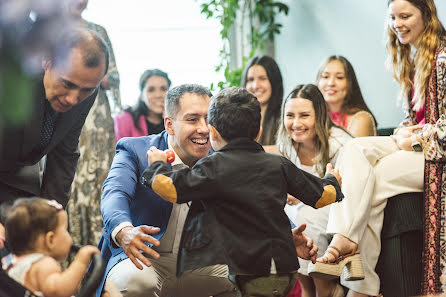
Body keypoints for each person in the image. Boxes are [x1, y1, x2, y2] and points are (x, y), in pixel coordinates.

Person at [142, 87, 344, 297]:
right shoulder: (277, 163)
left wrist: (157, 165)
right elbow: (322, 196)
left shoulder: (213, 166)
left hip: (252, 270)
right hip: (285, 267)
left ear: (213, 132)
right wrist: (332, 181)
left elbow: (170, 188)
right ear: (258, 131)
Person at [308, 0, 446, 295]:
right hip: (416, 145)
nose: (398, 24)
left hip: (437, 155)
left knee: (375, 178)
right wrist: (405, 130)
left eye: (405, 16)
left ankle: (360, 284)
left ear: (427, 15)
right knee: (356, 149)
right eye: (393, 17)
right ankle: (346, 242)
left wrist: (414, 138)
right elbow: (416, 118)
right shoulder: (414, 59)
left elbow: (439, 127)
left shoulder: (444, 59)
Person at [98, 84, 237, 297]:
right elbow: (114, 194)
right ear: (170, 125)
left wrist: (287, 231)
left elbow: (257, 195)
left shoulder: (222, 157)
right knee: (134, 281)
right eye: (192, 119)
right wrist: (124, 231)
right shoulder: (134, 150)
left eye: (209, 119)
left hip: (200, 262)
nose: (204, 128)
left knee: (253, 270)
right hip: (144, 260)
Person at [0, 28, 108, 246]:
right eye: (67, 84)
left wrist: (50, 219)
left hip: (18, 180)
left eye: (86, 90)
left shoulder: (86, 89)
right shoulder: (11, 76)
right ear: (46, 61)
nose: (73, 98)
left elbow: (64, 154)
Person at [274, 84, 352, 297]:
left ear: (319, 116)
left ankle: (325, 289)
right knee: (283, 217)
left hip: (340, 204)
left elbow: (349, 189)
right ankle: (308, 290)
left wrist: (300, 195)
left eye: (304, 115)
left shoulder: (340, 144)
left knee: (305, 219)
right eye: (290, 115)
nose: (296, 123)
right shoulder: (287, 145)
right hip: (303, 205)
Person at [65, 0, 122, 247]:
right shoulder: (50, 33)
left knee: (100, 175)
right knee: (68, 175)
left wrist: (99, 75)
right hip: (64, 107)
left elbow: (114, 76)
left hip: (96, 115)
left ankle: (102, 253)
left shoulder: (99, 32)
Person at [2, 198, 100, 297]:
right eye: (66, 230)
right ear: (50, 240)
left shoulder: (11, 262)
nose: (69, 236)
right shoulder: (44, 264)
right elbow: (60, 291)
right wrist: (81, 262)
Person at [316, 55, 377, 137]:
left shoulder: (361, 119)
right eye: (325, 77)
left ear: (350, 83)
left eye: (339, 77)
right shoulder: (311, 117)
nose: (331, 83)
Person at [114, 69, 171, 141]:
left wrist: (172, 121)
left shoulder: (176, 120)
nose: (158, 95)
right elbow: (121, 150)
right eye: (151, 90)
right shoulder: (124, 120)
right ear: (142, 96)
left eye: (163, 89)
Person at [241, 55, 284, 145]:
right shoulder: (237, 119)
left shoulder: (285, 119)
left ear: (274, 82)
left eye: (262, 79)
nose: (255, 86)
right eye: (250, 79)